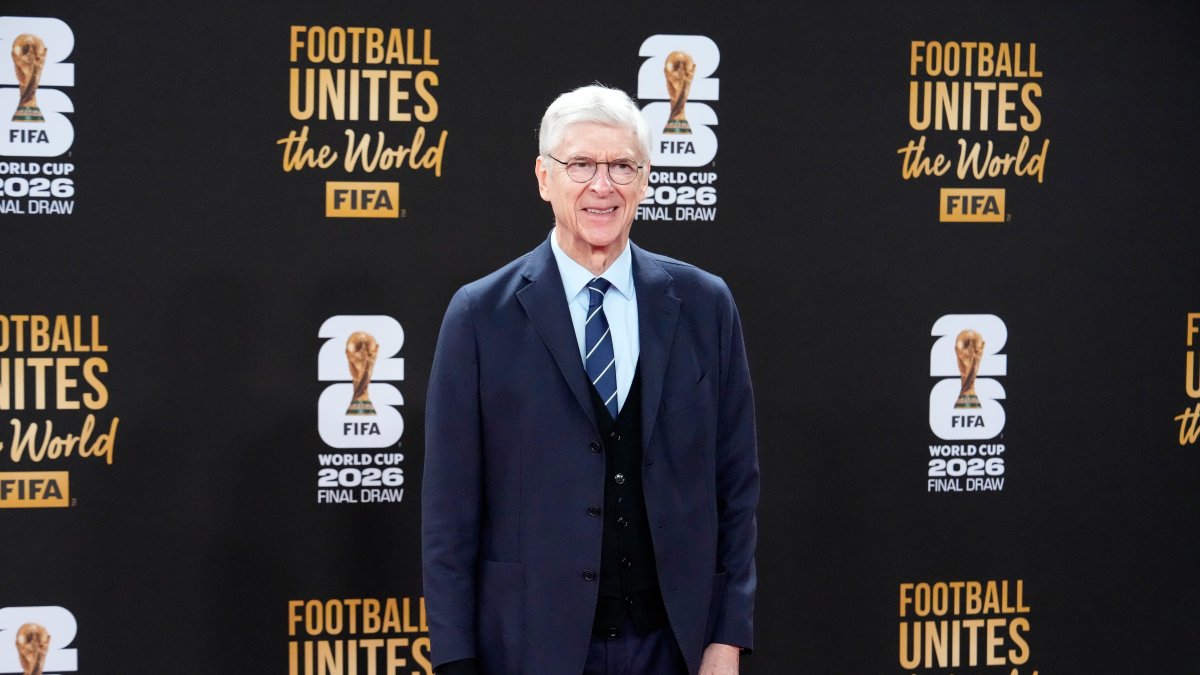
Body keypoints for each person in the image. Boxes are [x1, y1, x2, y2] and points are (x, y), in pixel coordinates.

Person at [422, 84, 759, 675]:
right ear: (543, 176)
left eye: (622, 166)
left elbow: (736, 488)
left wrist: (726, 638)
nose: (602, 186)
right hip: (531, 648)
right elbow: (448, 515)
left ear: (646, 178)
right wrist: (456, 660)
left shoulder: (705, 306)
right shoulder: (479, 317)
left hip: (675, 647)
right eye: (580, 164)